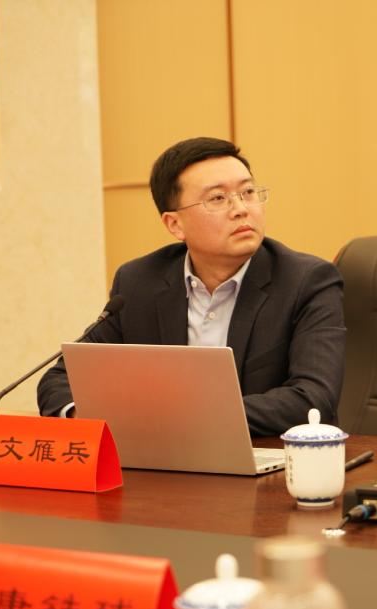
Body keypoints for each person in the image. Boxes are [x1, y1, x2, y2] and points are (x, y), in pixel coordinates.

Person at [37, 137, 345, 436]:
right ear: (175, 224)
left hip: (267, 459)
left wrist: (178, 417)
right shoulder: (139, 282)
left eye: (248, 192)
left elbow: (312, 399)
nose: (241, 208)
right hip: (162, 460)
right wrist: (84, 415)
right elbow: (62, 378)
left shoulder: (307, 281)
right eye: (218, 198)